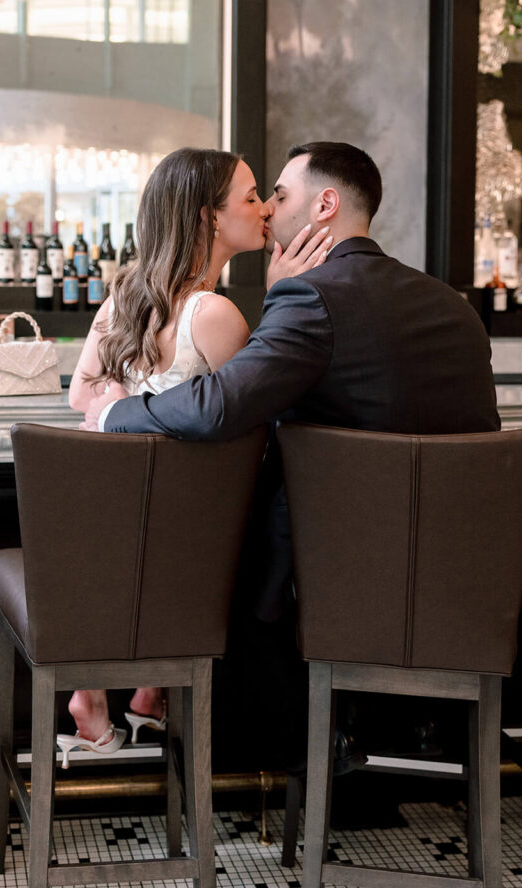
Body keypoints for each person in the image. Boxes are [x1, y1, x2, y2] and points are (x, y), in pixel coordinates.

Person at [83, 141, 501, 771]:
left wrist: (115, 413)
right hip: (471, 575)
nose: (270, 210)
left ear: (325, 204)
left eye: (277, 193)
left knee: (245, 537)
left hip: (341, 580)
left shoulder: (311, 297)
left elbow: (218, 405)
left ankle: (252, 752)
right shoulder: (453, 306)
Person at [58, 146, 330, 767]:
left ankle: (119, 696)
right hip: (189, 550)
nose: (266, 208)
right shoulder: (212, 313)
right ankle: (153, 692)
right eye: (252, 196)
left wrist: (128, 398)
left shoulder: (125, 296)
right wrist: (286, 299)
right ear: (210, 218)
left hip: (112, 533)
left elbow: (81, 394)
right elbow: (256, 416)